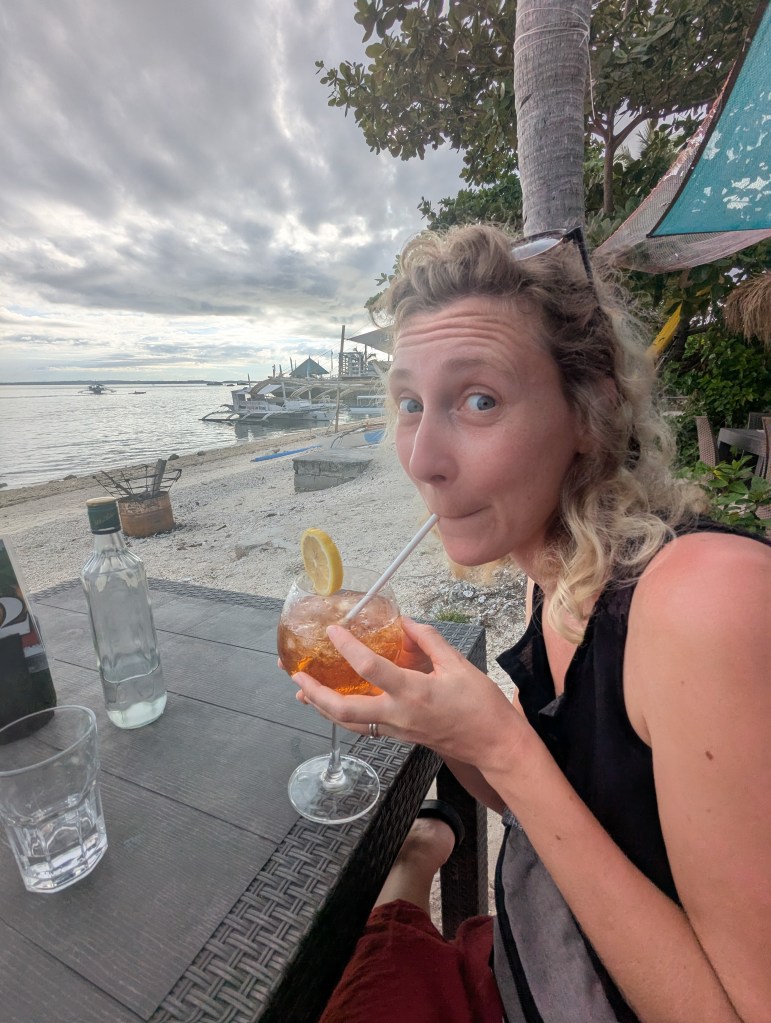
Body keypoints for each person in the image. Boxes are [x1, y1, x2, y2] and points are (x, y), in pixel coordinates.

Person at [291, 224, 771, 1023]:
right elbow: (556, 812)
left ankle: (411, 868)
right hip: (537, 961)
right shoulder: (551, 570)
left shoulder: (702, 602)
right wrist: (447, 721)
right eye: (410, 403)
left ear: (590, 410)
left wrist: (502, 745)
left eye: (477, 399)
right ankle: (415, 866)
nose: (420, 458)